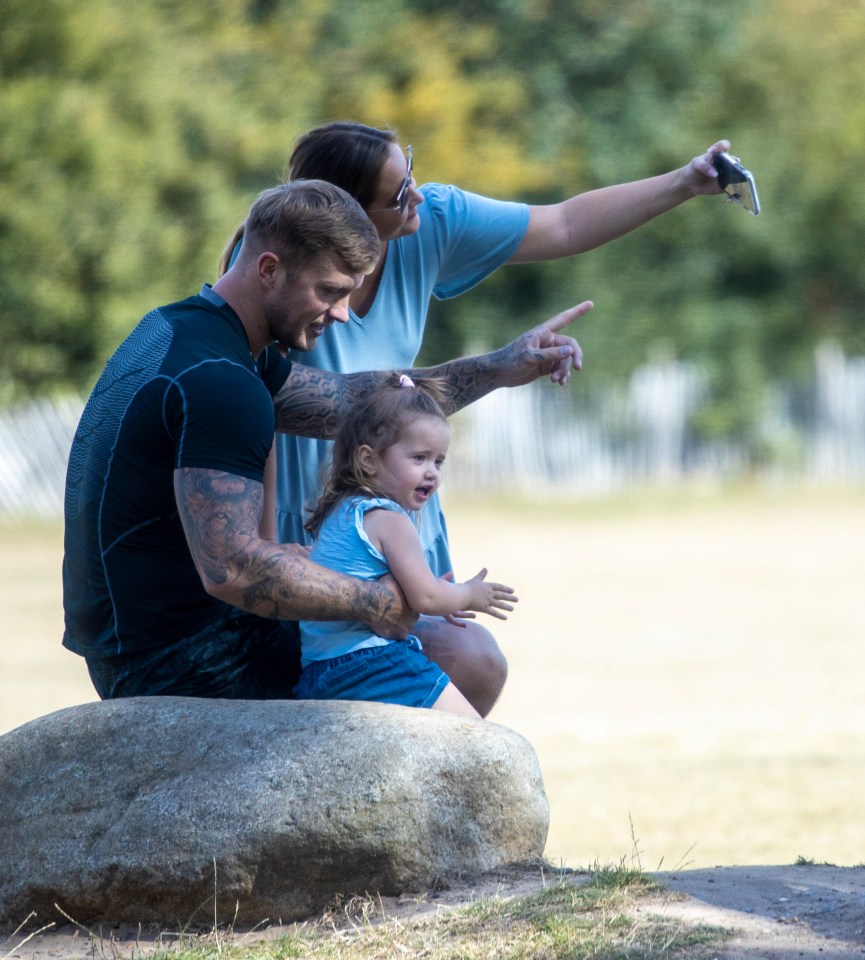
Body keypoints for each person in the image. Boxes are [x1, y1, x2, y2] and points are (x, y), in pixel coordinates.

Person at [219, 121, 731, 716]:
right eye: (396, 193)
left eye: (409, 171)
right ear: (342, 216)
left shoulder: (428, 220)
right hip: (301, 509)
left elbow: (563, 223)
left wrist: (685, 182)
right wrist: (263, 548)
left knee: (470, 664)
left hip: (392, 501)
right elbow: (258, 400)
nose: (417, 194)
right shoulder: (283, 264)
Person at [62, 178, 592, 702]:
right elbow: (233, 569)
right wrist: (373, 601)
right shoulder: (221, 383)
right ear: (269, 269)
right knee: (465, 659)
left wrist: (499, 367)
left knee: (451, 647)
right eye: (330, 291)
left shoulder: (190, 333)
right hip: (179, 665)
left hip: (138, 645)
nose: (341, 314)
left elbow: (353, 403)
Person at [294, 372, 517, 719]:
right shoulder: (390, 519)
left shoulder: (342, 510)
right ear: (368, 460)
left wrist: (435, 596)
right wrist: (470, 593)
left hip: (319, 670)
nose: (432, 473)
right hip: (370, 665)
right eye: (419, 458)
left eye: (438, 461)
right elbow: (425, 597)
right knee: (475, 737)